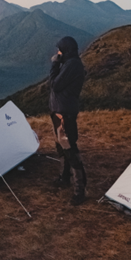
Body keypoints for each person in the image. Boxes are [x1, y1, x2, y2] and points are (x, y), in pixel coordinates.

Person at [49, 36, 86, 206]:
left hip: (65, 113)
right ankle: (64, 178)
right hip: (60, 112)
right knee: (61, 146)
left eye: (60, 50)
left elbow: (55, 85)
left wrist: (55, 64)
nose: (58, 53)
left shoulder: (72, 65)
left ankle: (80, 190)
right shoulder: (70, 64)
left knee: (69, 148)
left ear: (66, 50)